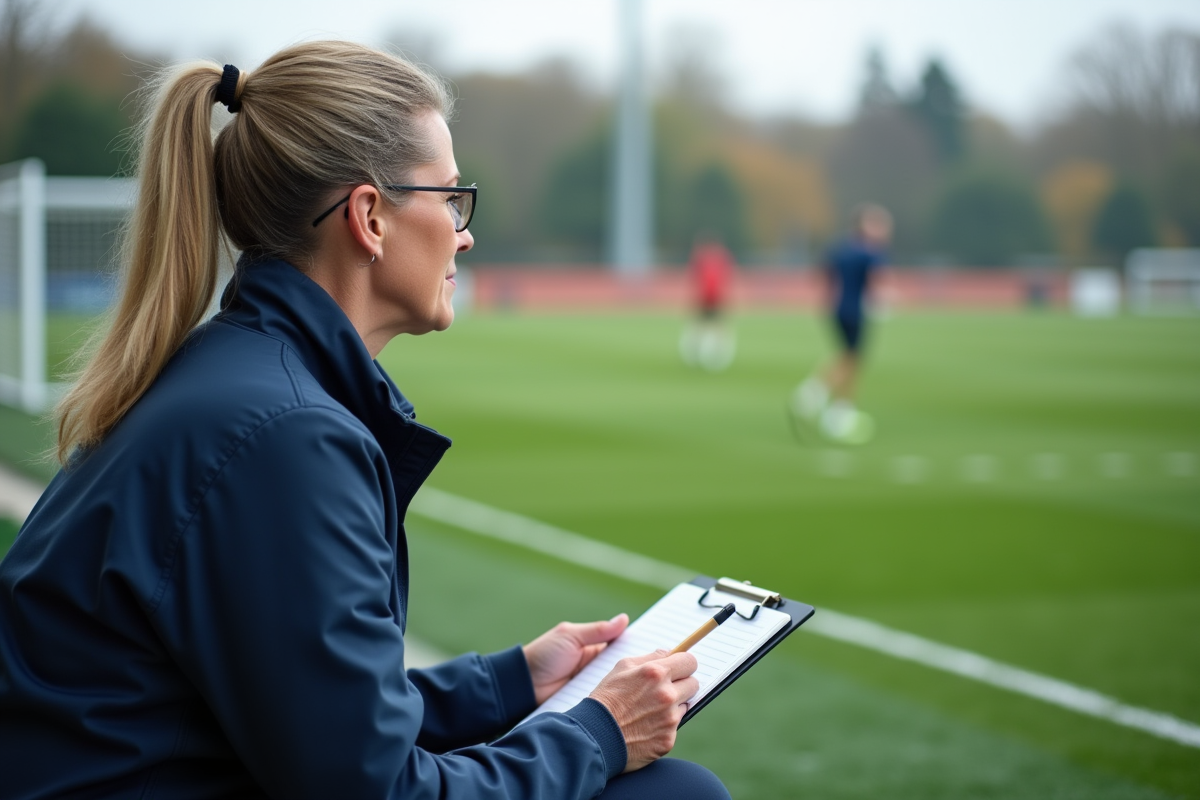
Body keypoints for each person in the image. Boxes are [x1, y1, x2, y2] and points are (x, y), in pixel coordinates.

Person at [0, 43, 730, 800]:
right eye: (451, 199)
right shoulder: (281, 437)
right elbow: (377, 789)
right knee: (676, 794)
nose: (465, 231)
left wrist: (511, 683)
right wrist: (599, 732)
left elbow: (314, 716)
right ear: (370, 217)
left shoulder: (240, 381)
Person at [790, 203, 893, 444]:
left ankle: (831, 407)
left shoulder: (839, 247)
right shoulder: (870, 252)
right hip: (855, 311)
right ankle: (822, 400)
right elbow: (879, 282)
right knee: (852, 360)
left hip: (834, 309)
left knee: (847, 356)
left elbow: (820, 274)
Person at [679, 233, 737, 371]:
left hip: (709, 297)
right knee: (713, 326)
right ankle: (707, 354)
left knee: (704, 326)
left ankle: (699, 353)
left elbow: (695, 276)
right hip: (712, 297)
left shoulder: (702, 257)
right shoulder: (720, 257)